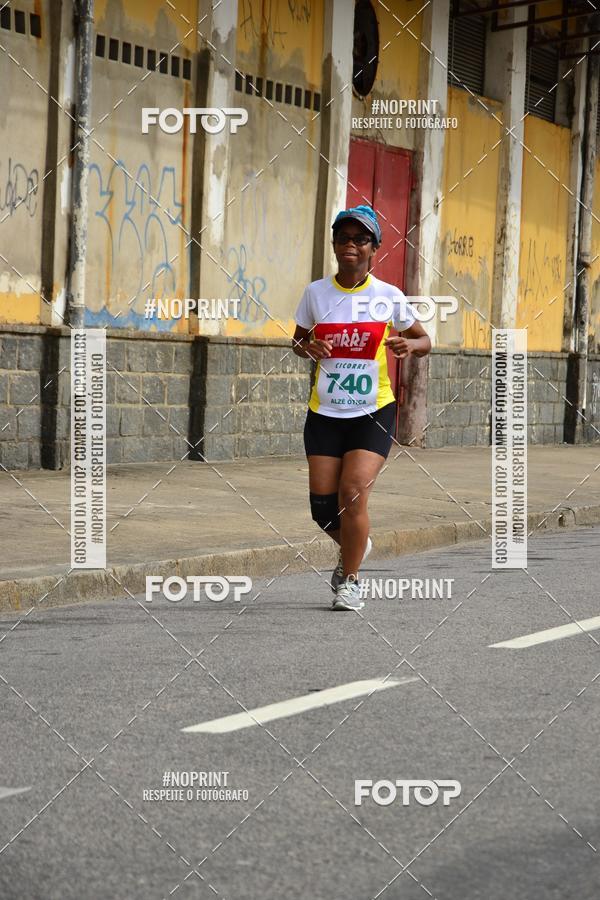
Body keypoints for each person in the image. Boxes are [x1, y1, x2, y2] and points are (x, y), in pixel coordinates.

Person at [292, 205, 432, 611]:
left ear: (374, 249)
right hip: (325, 413)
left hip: (373, 411)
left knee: (351, 494)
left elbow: (425, 340)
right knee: (322, 509)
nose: (350, 245)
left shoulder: (388, 297)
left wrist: (411, 345)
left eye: (360, 239)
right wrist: (308, 347)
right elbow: (298, 341)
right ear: (334, 245)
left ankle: (350, 580)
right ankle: (358, 544)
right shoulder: (316, 294)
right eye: (343, 238)